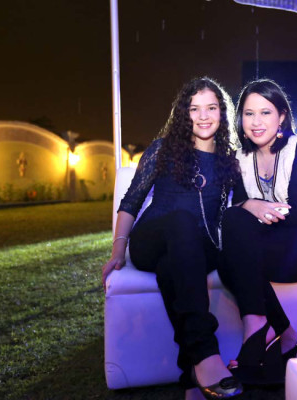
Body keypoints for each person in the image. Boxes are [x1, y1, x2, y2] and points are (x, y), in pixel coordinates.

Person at [101, 77, 243, 400]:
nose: (203, 116)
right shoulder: (163, 149)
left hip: (199, 248)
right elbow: (132, 201)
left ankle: (191, 374)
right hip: (152, 239)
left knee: (171, 270)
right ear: (183, 113)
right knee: (181, 220)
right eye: (194, 109)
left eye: (211, 108)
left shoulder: (229, 160)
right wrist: (117, 251)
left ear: (222, 113)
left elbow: (240, 206)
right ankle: (207, 353)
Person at [217, 79, 297, 384]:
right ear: (240, 119)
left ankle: (262, 332)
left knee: (236, 254)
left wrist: (254, 210)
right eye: (249, 114)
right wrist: (249, 204)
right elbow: (236, 209)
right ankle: (279, 334)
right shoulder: (240, 157)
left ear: (282, 117)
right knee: (227, 254)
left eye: (265, 113)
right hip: (277, 238)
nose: (256, 122)